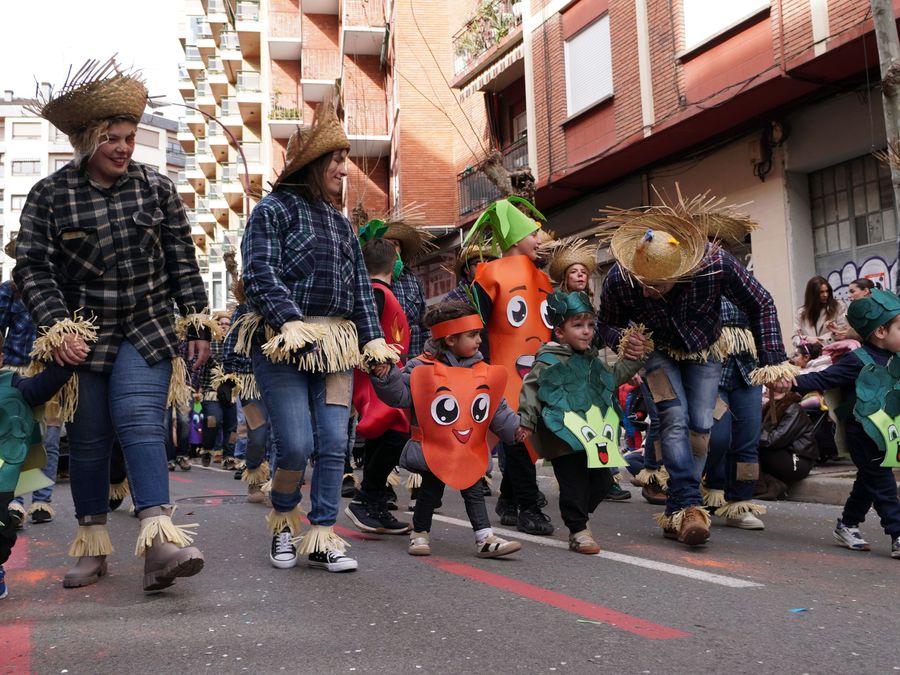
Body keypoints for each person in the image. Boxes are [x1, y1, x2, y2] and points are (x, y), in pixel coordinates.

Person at [15, 58, 211, 591]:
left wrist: (196, 323)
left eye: (129, 138)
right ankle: (93, 545)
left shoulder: (157, 188)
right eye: (112, 140)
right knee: (89, 439)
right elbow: (32, 268)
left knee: (140, 421)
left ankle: (160, 542)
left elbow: (182, 259)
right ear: (87, 141)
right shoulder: (50, 195)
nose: (124, 148)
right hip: (82, 337)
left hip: (147, 327)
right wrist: (59, 327)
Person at [239, 97, 397, 572]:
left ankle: (324, 533)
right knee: (295, 445)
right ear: (312, 163)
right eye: (337, 161)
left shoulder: (341, 224)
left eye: (345, 161)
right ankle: (284, 523)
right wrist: (289, 319)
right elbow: (260, 272)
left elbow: (359, 290)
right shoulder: (271, 210)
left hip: (335, 350)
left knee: (333, 444)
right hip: (282, 344)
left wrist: (372, 340)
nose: (344, 170)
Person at [596, 198, 792, 547]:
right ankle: (689, 505)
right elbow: (606, 324)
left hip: (705, 350)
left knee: (701, 426)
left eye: (658, 285)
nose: (647, 291)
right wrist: (622, 339)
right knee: (673, 418)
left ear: (681, 271)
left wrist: (772, 360)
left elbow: (761, 303)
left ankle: (678, 509)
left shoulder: (716, 263)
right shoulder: (619, 277)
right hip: (656, 352)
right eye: (643, 282)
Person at [371, 300, 523, 558]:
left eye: (479, 334)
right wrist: (386, 376)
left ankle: (484, 537)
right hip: (436, 447)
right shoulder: (421, 368)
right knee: (431, 489)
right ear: (451, 339)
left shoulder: (482, 371)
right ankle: (420, 533)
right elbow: (401, 396)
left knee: (473, 488)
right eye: (472, 335)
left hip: (468, 448)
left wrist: (515, 428)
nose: (479, 340)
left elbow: (495, 406)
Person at [775, 288, 900, 558]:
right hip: (862, 433)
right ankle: (897, 533)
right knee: (883, 482)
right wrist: (791, 381)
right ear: (880, 332)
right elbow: (823, 378)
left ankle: (847, 524)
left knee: (869, 480)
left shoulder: (896, 358)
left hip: (888, 433)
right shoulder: (858, 360)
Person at [518, 291, 643, 553]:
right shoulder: (549, 360)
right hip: (562, 436)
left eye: (590, 325)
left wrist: (634, 359)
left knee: (603, 483)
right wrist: (526, 421)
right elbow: (531, 389)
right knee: (573, 482)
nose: (586, 331)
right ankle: (578, 530)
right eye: (577, 325)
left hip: (593, 435)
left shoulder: (591, 360)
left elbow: (612, 377)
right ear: (560, 332)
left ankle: (577, 515)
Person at [465, 197, 556, 535]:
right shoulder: (489, 275)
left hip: (538, 369)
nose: (538, 240)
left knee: (528, 436)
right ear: (515, 239)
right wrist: (482, 368)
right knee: (519, 433)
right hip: (504, 371)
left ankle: (508, 498)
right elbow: (477, 325)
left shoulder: (542, 278)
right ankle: (529, 508)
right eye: (532, 234)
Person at [345, 234, 412, 535]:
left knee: (382, 437)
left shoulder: (382, 292)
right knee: (398, 434)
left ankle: (376, 503)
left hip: (386, 377)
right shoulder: (376, 293)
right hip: (377, 377)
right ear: (393, 262)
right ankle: (365, 499)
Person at [1, 360, 84, 600]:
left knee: (1, 529)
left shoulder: (11, 384)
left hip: (2, 476)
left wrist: (64, 363)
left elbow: (39, 389)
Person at [0, 247, 59, 527]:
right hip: (15, 371)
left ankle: (42, 501)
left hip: (50, 374)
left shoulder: (59, 288)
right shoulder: (9, 290)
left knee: (49, 439)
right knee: (15, 437)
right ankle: (14, 501)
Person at [702, 298, 768, 530]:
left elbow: (765, 321)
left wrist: (775, 363)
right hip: (711, 371)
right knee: (717, 438)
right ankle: (694, 485)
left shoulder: (748, 288)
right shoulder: (700, 285)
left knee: (748, 441)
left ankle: (740, 504)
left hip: (748, 372)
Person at [197, 312, 238, 469]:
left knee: (232, 428)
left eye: (227, 324)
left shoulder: (236, 344)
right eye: (221, 324)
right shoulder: (209, 343)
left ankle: (229, 457)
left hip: (231, 392)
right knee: (213, 420)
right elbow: (200, 365)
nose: (224, 327)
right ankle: (207, 449)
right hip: (211, 392)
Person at [793, 276, 845, 347]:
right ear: (812, 294)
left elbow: (843, 331)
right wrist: (807, 338)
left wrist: (821, 340)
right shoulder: (801, 312)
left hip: (832, 349)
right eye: (821, 292)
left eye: (827, 291)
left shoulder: (838, 306)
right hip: (810, 351)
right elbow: (795, 337)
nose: (825, 295)